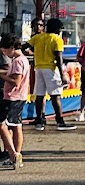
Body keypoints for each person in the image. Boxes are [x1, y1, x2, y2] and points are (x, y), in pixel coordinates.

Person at [30, 15, 69, 131]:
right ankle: (60, 121)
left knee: (40, 95)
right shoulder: (57, 39)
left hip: (38, 68)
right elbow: (59, 57)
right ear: (58, 29)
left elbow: (25, 46)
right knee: (55, 95)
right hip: (51, 69)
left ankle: (39, 121)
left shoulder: (38, 37)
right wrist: (62, 74)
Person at [0, 33, 28, 168]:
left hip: (13, 97)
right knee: (16, 126)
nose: (4, 53)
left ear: (11, 48)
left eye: (5, 50)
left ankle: (13, 153)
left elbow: (16, 81)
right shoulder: (23, 59)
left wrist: (2, 76)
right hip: (20, 97)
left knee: (2, 125)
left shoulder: (17, 61)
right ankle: (16, 154)